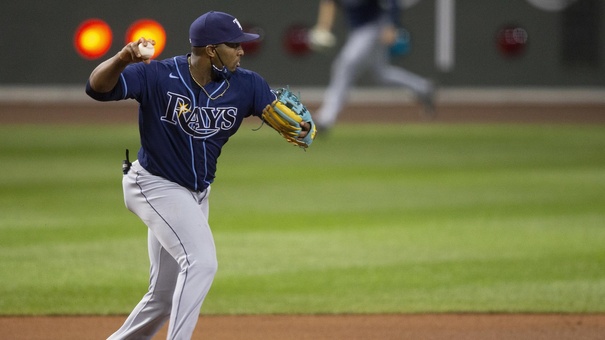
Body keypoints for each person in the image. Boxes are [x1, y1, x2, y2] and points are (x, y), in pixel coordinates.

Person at [85, 10, 311, 340]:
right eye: (234, 45)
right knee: (201, 262)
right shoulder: (158, 76)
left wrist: (302, 127)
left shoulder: (247, 84)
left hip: (196, 195)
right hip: (154, 184)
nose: (241, 51)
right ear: (210, 49)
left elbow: (289, 121)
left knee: (162, 298)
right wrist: (123, 57)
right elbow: (97, 88)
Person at [309, 0, 436, 131]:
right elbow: (329, 4)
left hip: (375, 26)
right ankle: (423, 87)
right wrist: (323, 27)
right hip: (358, 30)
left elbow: (392, 2)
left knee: (344, 65)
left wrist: (392, 24)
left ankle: (326, 117)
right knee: (382, 74)